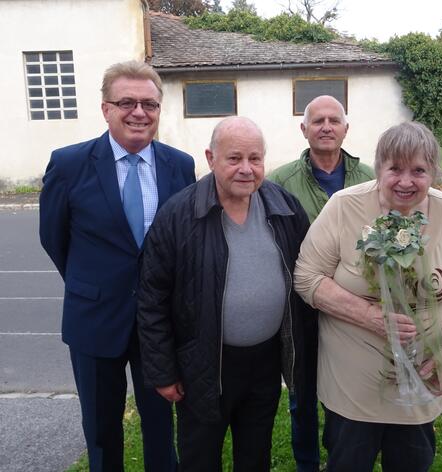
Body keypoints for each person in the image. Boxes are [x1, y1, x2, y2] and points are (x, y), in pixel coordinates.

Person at [294, 121, 442, 471]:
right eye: (395, 169)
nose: (406, 181)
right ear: (378, 166)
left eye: (419, 171)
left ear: (433, 172)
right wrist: (370, 317)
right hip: (352, 387)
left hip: (420, 384)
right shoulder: (345, 206)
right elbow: (307, 277)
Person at [39, 60, 195, 471]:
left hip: (159, 324)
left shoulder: (179, 166)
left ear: (160, 110)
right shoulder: (69, 164)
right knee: (102, 432)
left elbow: (183, 242)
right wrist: (92, 283)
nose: (139, 112)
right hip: (94, 319)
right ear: (106, 108)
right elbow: (54, 239)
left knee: (162, 429)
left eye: (149, 104)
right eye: (126, 102)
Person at [136, 117, 313, 471]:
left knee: (255, 455)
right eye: (234, 159)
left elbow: (306, 277)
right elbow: (151, 297)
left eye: (255, 158)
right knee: (200, 457)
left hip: (263, 364)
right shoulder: (178, 215)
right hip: (203, 364)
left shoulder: (285, 207)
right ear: (210, 158)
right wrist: (163, 371)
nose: (246, 169)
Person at [268, 94, 374, 472]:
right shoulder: (278, 182)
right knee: (303, 393)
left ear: (346, 128)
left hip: (354, 309)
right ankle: (307, 463)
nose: (326, 127)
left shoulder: (371, 179)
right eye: (317, 121)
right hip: (302, 307)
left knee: (343, 392)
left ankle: (340, 457)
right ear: (304, 129)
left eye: (334, 120)